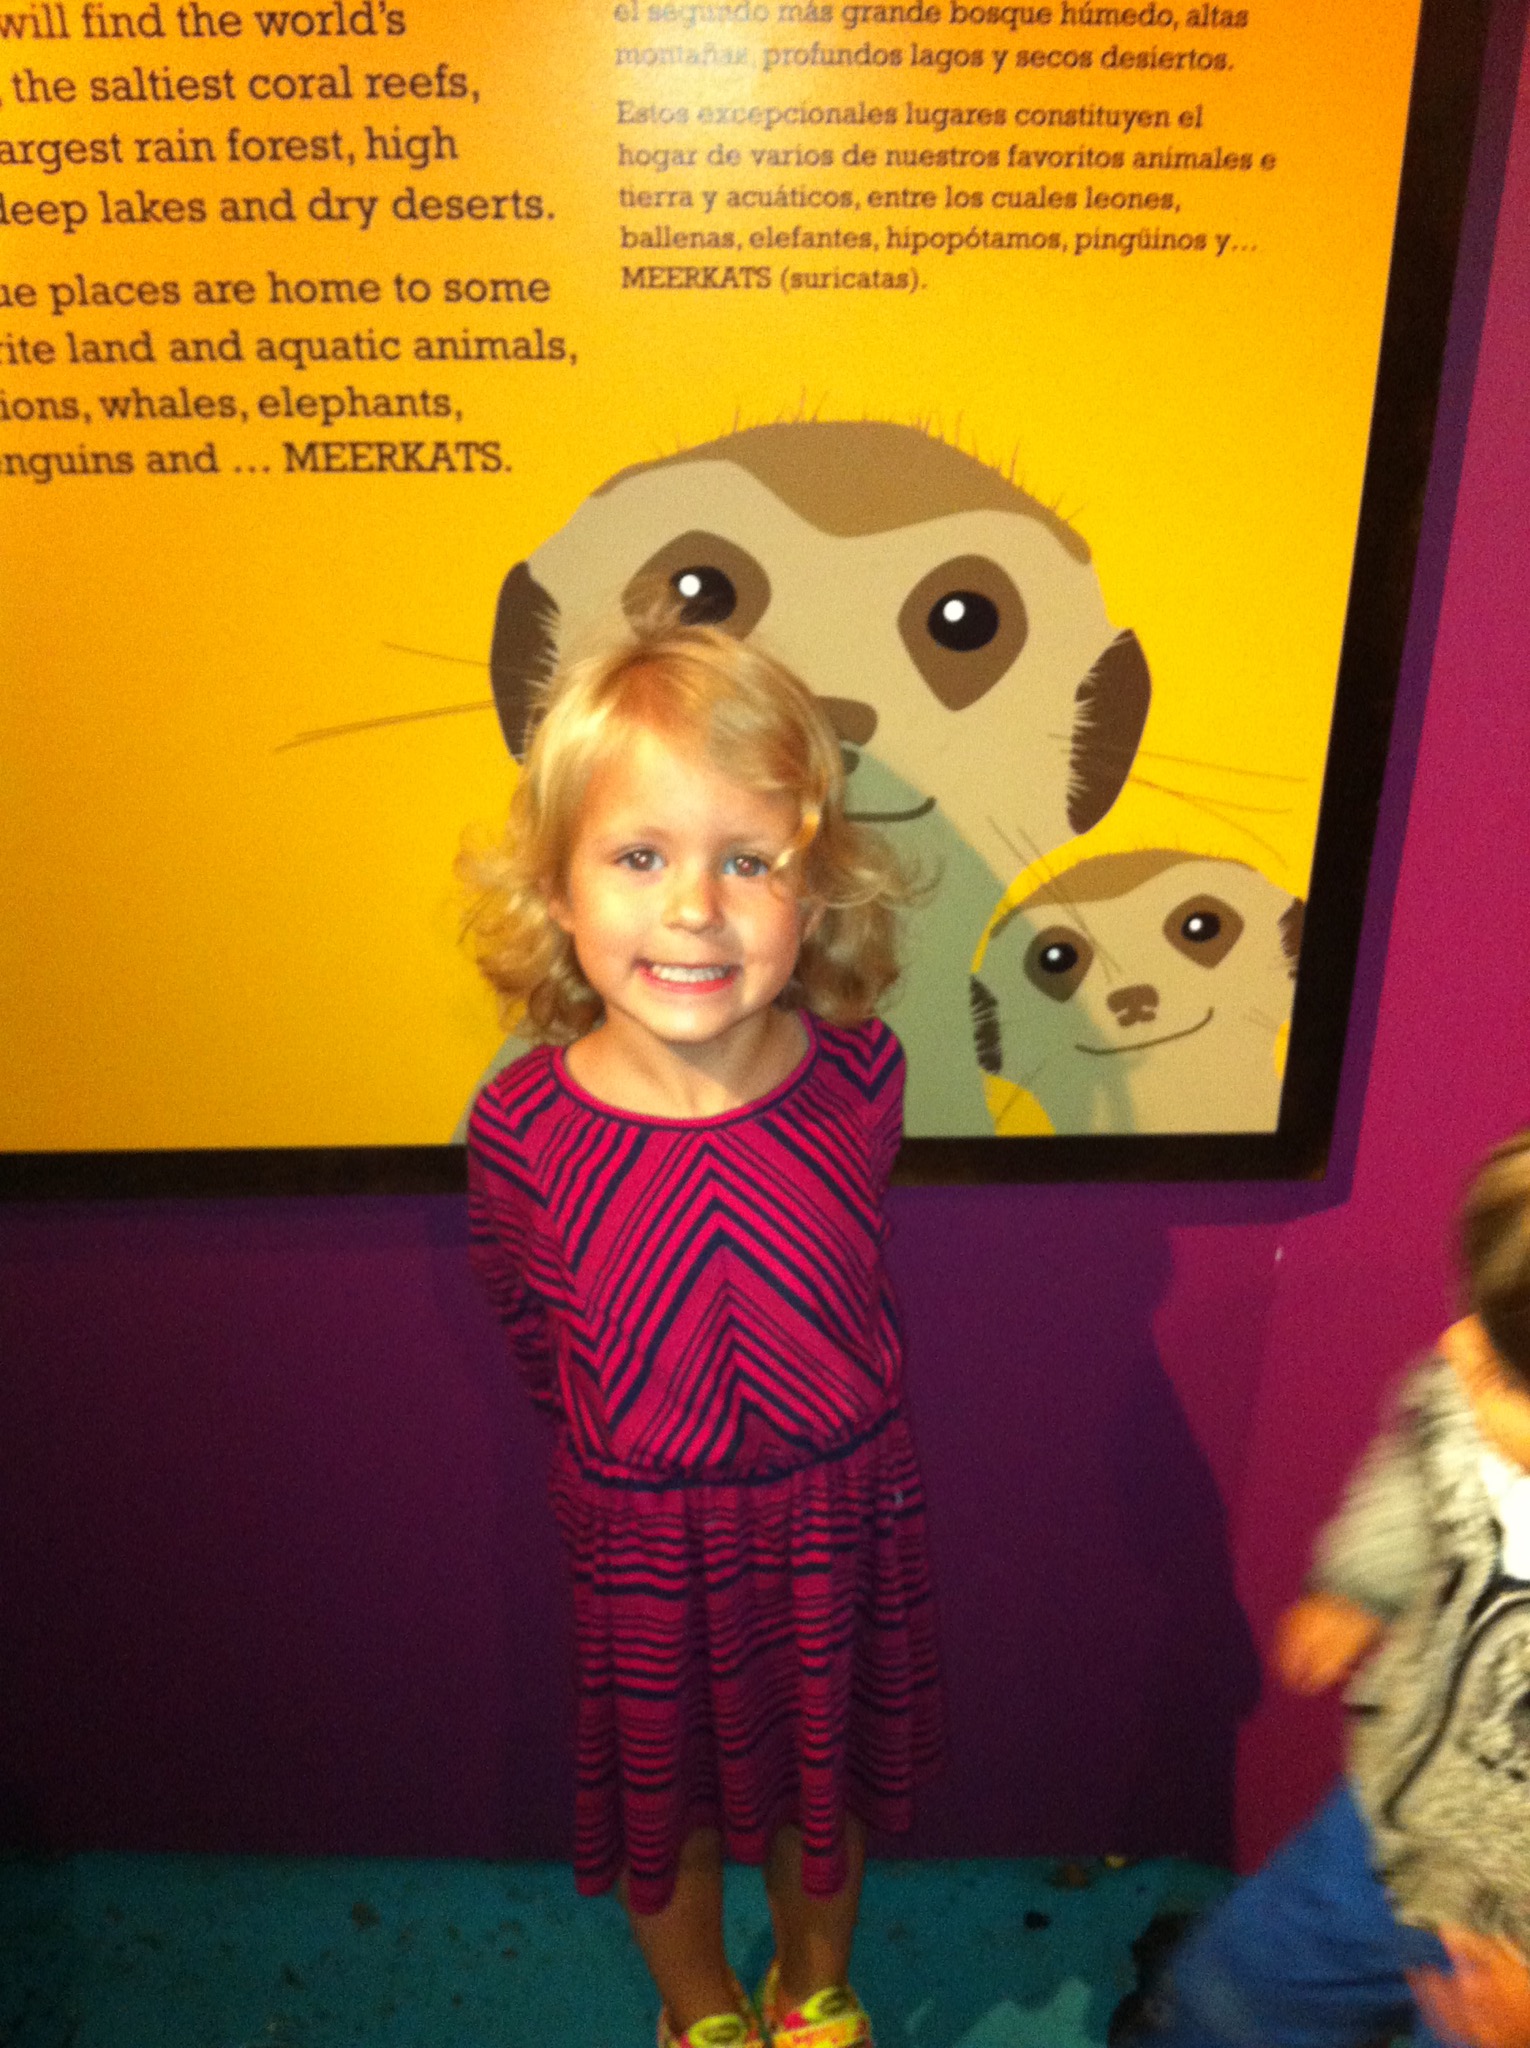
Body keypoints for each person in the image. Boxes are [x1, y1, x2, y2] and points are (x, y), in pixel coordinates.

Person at [460, 611, 945, 2048]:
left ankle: (812, 1989)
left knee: (823, 1790)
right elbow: (531, 1327)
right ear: (556, 888)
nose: (695, 909)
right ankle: (703, 2014)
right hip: (646, 1544)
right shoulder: (524, 1127)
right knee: (658, 1811)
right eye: (638, 856)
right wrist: (628, 1467)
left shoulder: (860, 1075)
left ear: (817, 891)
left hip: (837, 1519)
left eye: (749, 860)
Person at [1142, 1132, 1530, 2048]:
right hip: (1387, 1829)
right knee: (1235, 1997)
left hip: (1513, 1943)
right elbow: (1419, 1468)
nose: (1457, 1349)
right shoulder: (1468, 1387)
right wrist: (1359, 1587)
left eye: (1506, 1372)